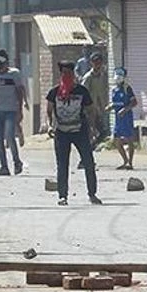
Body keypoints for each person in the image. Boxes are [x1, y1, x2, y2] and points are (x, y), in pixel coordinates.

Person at [46, 60, 102, 206]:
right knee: (62, 164)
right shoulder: (54, 92)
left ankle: (92, 194)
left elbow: (90, 110)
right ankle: (62, 195)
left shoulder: (81, 91)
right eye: (64, 73)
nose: (67, 76)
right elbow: (49, 111)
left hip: (80, 131)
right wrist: (50, 126)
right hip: (61, 132)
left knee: (88, 162)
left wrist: (92, 127)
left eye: (69, 73)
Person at [0, 50, 27, 176]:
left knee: (10, 136)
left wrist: (20, 110)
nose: (2, 67)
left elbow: (19, 92)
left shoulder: (14, 74)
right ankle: (4, 166)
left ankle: (17, 162)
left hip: (11, 110)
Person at [108, 67, 137, 170]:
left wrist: (125, 110)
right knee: (117, 140)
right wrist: (110, 106)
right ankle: (124, 161)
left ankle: (130, 162)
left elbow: (134, 102)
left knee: (129, 139)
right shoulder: (114, 90)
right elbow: (115, 102)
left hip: (126, 118)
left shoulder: (127, 88)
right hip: (117, 118)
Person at [80, 52, 110, 151]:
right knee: (88, 132)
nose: (98, 64)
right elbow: (83, 93)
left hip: (99, 109)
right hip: (89, 109)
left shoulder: (102, 76)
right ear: (91, 63)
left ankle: (91, 147)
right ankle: (85, 156)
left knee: (103, 132)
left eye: (99, 62)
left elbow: (103, 92)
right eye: (95, 62)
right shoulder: (88, 77)